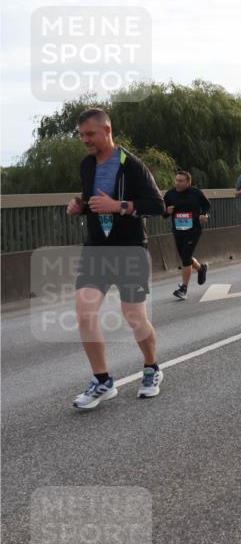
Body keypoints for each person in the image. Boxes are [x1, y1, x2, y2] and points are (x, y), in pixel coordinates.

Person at [66, 108, 166, 408]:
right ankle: (102, 380)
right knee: (84, 312)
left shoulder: (132, 165)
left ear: (107, 131)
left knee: (134, 316)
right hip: (97, 249)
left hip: (130, 248)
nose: (85, 140)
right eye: (82, 135)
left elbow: (157, 205)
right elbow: (94, 201)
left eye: (90, 134)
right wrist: (79, 206)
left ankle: (151, 368)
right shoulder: (87, 165)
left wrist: (118, 205)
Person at [163, 170, 210, 299]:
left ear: (188, 182)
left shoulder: (196, 193)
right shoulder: (170, 194)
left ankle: (184, 288)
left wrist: (204, 215)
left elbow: (207, 206)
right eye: (176, 180)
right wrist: (167, 211)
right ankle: (201, 269)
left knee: (186, 256)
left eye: (181, 181)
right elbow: (163, 212)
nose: (177, 183)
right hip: (178, 230)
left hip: (193, 230)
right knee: (185, 257)